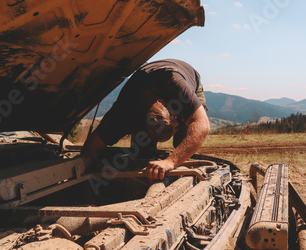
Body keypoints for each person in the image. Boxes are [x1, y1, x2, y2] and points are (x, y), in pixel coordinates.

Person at [81, 59, 210, 181]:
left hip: (184, 74)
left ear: (163, 102)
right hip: (144, 81)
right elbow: (91, 147)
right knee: (142, 149)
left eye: (174, 120)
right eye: (174, 120)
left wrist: (171, 161)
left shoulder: (176, 85)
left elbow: (202, 125)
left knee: (185, 137)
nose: (177, 122)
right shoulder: (122, 113)